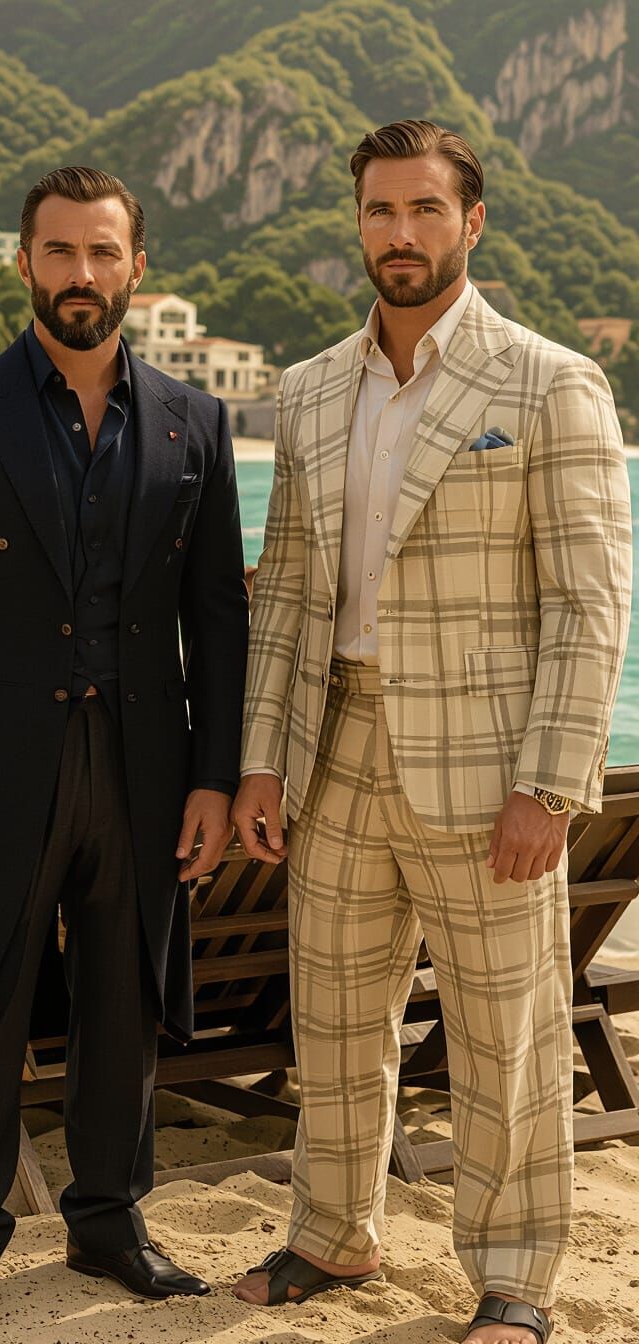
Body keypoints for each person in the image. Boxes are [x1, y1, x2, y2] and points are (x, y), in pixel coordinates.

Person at [231, 120, 632, 1344]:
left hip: (490, 767)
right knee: (335, 1016)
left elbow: (590, 600)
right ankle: (330, 1235)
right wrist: (260, 757)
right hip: (335, 745)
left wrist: (551, 784)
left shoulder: (548, 381)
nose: (398, 234)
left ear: (472, 221)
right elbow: (291, 593)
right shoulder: (305, 392)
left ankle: (514, 1274)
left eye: (423, 210)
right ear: (356, 223)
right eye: (377, 212)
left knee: (502, 1032)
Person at [0, 166, 249, 1341]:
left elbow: (217, 618)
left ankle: (108, 1222)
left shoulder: (199, 419)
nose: (81, 274)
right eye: (58, 252)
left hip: (145, 758)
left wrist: (214, 773)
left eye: (102, 252)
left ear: (139, 266)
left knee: (123, 998)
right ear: (24, 263)